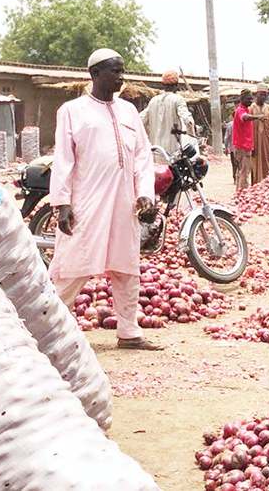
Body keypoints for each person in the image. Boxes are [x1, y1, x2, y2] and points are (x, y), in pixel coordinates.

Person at [49, 48, 162, 351]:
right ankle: (47, 329)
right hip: (88, 200)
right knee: (75, 266)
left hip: (125, 203)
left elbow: (141, 157)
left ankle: (128, 332)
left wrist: (145, 196)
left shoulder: (128, 112)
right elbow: (63, 160)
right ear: (95, 74)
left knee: (126, 267)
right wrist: (62, 204)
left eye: (122, 70)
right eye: (115, 71)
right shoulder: (72, 110)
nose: (121, 77)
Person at [140, 70, 195, 160]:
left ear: (163, 85)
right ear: (176, 85)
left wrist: (147, 136)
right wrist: (192, 137)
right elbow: (188, 121)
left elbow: (140, 121)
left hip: (155, 152)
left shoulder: (153, 101)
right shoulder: (178, 99)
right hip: (172, 155)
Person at [232, 89, 269, 190]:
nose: (250, 101)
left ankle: (239, 193)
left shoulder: (245, 109)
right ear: (242, 99)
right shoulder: (241, 110)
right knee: (244, 172)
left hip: (244, 146)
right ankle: (243, 193)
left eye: (251, 99)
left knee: (241, 171)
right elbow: (245, 117)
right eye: (248, 99)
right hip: (242, 146)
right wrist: (258, 117)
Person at [249, 83, 269, 185]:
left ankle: (267, 185)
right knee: (254, 165)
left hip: (267, 142)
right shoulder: (251, 108)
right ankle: (256, 186)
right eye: (261, 94)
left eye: (265, 95)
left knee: (268, 165)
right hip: (254, 142)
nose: (263, 97)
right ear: (257, 94)